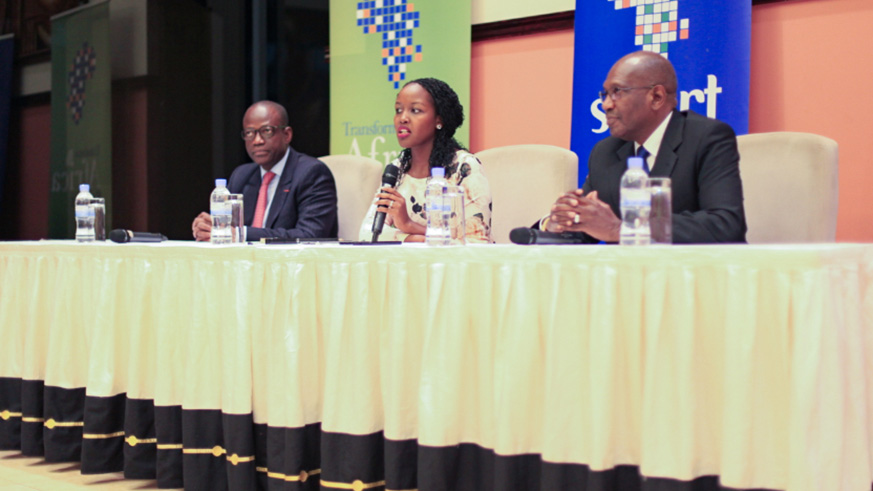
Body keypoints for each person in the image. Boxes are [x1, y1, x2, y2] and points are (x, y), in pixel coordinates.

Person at [541, 51, 746, 243]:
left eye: (617, 92)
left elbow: (725, 224)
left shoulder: (707, 137)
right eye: (605, 94)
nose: (606, 104)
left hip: (694, 275)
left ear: (656, 97)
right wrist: (557, 223)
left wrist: (622, 229)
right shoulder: (606, 152)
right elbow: (589, 230)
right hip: (626, 276)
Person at [359, 78, 493, 243]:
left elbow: (476, 241)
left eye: (415, 110)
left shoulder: (464, 167)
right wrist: (413, 238)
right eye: (398, 110)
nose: (403, 118)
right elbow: (368, 234)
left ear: (439, 119)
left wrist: (410, 225)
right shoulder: (398, 168)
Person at [192, 101, 338, 241]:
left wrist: (241, 234)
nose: (257, 141)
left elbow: (310, 235)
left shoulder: (312, 173)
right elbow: (225, 228)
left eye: (266, 131)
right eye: (249, 133)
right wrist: (208, 228)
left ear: (287, 135)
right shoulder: (241, 175)